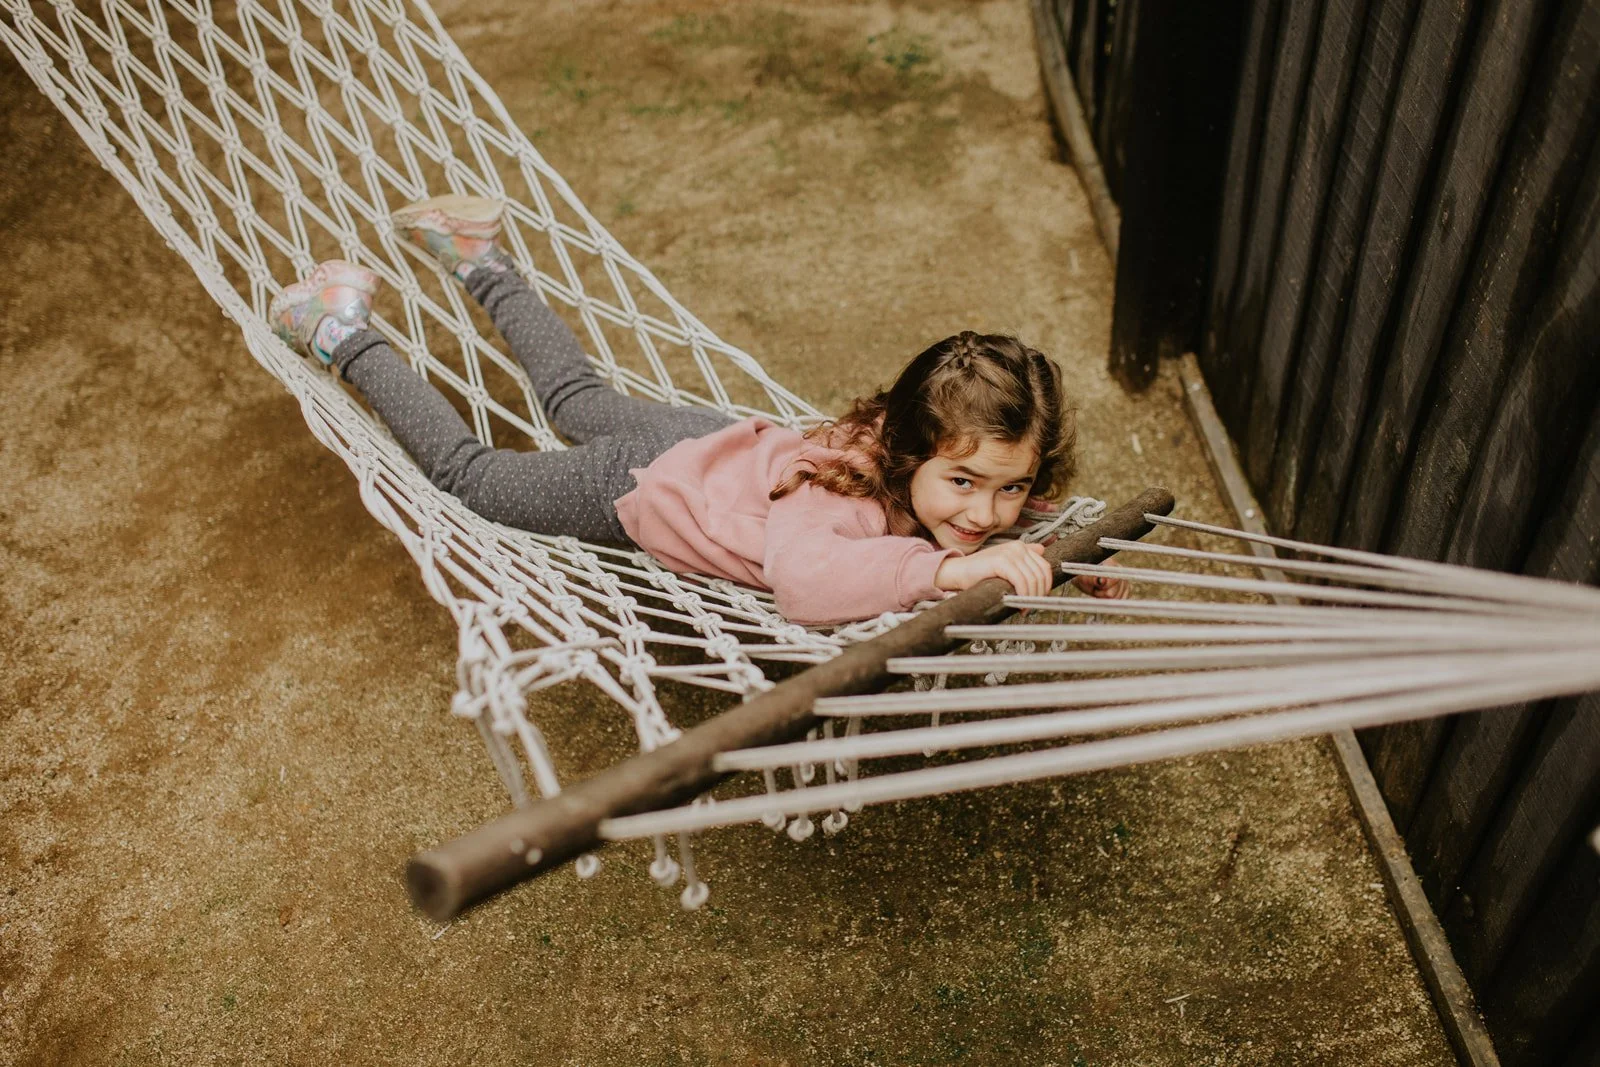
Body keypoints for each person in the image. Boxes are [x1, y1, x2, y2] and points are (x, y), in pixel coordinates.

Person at [271, 195, 1128, 625]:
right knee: (473, 479)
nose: (984, 513)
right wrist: (942, 573)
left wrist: (1057, 544)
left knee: (578, 398)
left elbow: (988, 501)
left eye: (1012, 489)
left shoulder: (935, 458)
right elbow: (804, 585)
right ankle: (342, 332)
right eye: (965, 483)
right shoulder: (838, 502)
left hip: (713, 445)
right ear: (909, 455)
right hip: (645, 485)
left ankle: (476, 254)